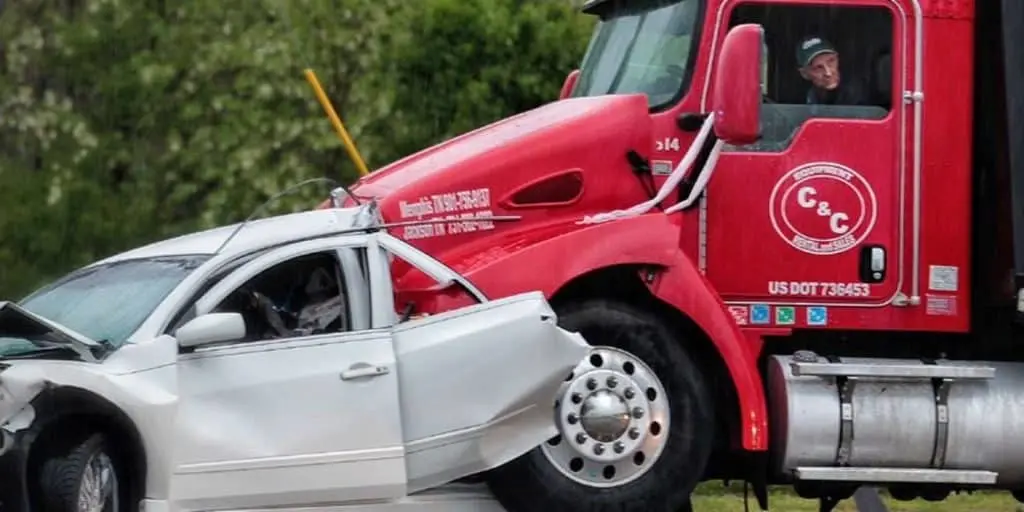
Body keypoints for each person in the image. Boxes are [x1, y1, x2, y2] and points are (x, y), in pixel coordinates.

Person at [796, 36, 871, 106]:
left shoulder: (859, 93)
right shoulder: (802, 99)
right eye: (818, 67)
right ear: (804, 74)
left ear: (838, 59)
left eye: (831, 61)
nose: (828, 73)